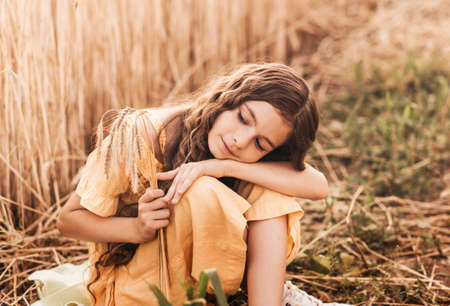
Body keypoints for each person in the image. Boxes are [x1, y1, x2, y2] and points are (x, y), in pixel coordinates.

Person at [56, 63, 329, 306]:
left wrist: (225, 166)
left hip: (208, 282)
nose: (240, 140)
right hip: (140, 283)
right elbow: (68, 220)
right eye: (244, 118)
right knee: (200, 189)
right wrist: (137, 228)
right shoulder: (142, 133)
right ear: (227, 98)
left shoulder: (236, 158)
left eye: (260, 143)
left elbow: (318, 187)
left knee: (270, 191)